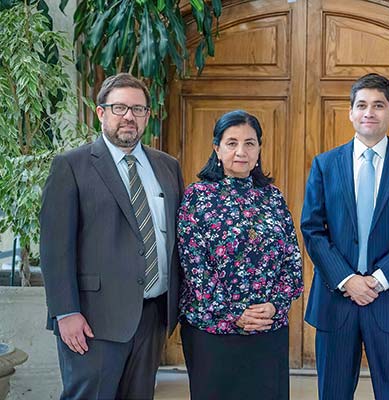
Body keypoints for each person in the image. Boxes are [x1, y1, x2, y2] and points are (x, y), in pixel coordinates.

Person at [40, 73, 184, 399]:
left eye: (138, 109)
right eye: (119, 108)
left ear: (148, 116)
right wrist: (66, 312)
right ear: (101, 112)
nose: (129, 117)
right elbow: (54, 248)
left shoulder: (167, 167)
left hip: (153, 315)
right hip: (93, 319)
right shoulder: (71, 166)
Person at [301, 73, 389, 400]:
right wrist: (347, 279)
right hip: (336, 299)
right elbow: (313, 229)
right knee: (332, 393)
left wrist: (376, 280)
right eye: (361, 105)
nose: (369, 112)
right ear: (350, 112)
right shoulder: (325, 165)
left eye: (378, 105)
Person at [177, 110, 303, 400]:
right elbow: (196, 267)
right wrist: (235, 313)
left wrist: (274, 305)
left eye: (249, 143)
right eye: (231, 143)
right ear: (217, 149)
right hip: (213, 331)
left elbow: (292, 261)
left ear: (259, 149)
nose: (241, 151)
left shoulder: (273, 197)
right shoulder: (197, 197)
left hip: (267, 328)